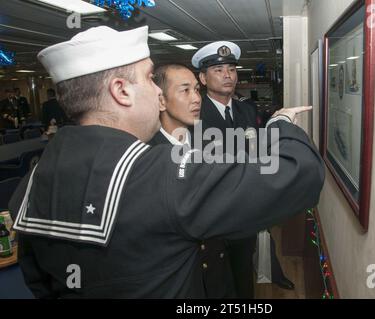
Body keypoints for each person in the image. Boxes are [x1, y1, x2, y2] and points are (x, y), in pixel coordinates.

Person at [9, 26, 324, 298]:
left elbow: (40, 282)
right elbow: (303, 175)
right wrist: (280, 124)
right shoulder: (160, 174)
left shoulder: (30, 184)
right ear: (121, 91)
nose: (159, 93)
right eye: (149, 78)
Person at [192, 41, 296, 297]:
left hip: (245, 212)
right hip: (211, 217)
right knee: (214, 282)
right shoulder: (193, 115)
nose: (228, 75)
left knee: (243, 276)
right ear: (203, 78)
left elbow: (256, 153)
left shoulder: (246, 110)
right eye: (218, 70)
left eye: (231, 69)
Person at [150, 63, 235, 298]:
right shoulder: (146, 154)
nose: (196, 98)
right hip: (178, 274)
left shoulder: (211, 140)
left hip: (217, 261)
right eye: (185, 90)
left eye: (197, 90)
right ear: (161, 100)